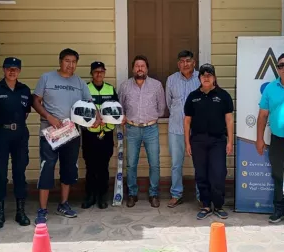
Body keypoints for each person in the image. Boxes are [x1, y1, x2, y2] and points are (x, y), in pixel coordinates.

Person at [32, 48, 92, 224]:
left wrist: (95, 118)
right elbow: (35, 100)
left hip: (71, 133)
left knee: (68, 168)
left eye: (74, 62)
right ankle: (42, 209)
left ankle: (63, 204)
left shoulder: (80, 82)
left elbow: (89, 104)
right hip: (50, 133)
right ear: (60, 61)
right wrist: (48, 117)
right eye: (67, 61)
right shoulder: (47, 78)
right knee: (47, 168)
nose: (70, 65)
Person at [0, 57, 32, 228]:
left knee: (20, 173)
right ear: (3, 70)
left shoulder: (25, 90)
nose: (12, 71)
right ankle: (0, 213)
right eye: (9, 68)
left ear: (19, 71)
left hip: (19, 135)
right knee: (1, 175)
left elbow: (25, 112)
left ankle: (21, 212)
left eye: (15, 69)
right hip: (1, 135)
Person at [184, 64, 234, 220]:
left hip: (217, 141)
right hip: (197, 140)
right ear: (199, 78)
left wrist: (230, 141)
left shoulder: (223, 96)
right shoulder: (193, 96)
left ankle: (218, 205)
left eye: (209, 75)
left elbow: (229, 120)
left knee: (218, 173)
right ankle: (205, 205)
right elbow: (186, 122)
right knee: (201, 174)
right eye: (203, 75)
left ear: (214, 77)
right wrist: (187, 143)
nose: (206, 77)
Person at [119, 55, 166, 208]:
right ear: (133, 69)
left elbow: (161, 108)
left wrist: (150, 118)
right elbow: (121, 109)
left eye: (143, 66)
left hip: (151, 129)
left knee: (155, 163)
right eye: (137, 66)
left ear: (147, 68)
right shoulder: (125, 86)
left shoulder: (157, 85)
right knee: (131, 164)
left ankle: (154, 194)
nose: (140, 68)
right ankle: (132, 194)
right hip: (132, 129)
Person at [256, 53, 284, 223]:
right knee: (278, 174)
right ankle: (280, 209)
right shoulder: (270, 88)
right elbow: (263, 115)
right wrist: (259, 139)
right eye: (281, 65)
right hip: (278, 139)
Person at [165, 50, 201, 208]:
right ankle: (176, 194)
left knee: (199, 163)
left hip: (198, 129)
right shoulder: (171, 80)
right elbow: (168, 103)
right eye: (182, 61)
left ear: (194, 62)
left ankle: (202, 195)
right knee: (176, 163)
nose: (185, 64)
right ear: (178, 64)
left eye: (188, 61)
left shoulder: (201, 78)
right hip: (176, 128)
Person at [81, 61, 119, 209]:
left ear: (105, 73)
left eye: (101, 71)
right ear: (91, 73)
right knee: (90, 166)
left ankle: (102, 196)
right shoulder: (85, 88)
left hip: (106, 133)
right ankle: (90, 196)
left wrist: (107, 120)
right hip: (90, 134)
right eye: (96, 71)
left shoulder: (110, 89)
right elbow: (80, 110)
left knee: (104, 166)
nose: (99, 74)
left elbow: (116, 110)